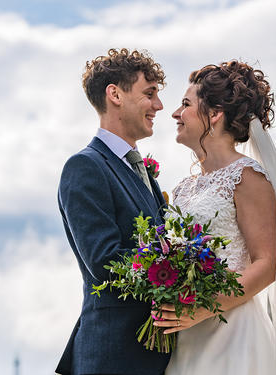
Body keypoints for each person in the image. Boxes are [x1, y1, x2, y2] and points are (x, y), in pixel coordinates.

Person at [154, 61, 276, 374]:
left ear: (214, 114)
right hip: (187, 336)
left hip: (233, 333)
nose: (176, 113)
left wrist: (202, 308)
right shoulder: (182, 188)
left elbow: (267, 264)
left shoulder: (248, 177)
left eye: (186, 104)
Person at [55, 48, 170, 375]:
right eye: (149, 94)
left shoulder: (143, 171)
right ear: (115, 94)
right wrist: (177, 273)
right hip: (113, 355)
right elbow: (105, 261)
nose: (159, 106)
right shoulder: (85, 167)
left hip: (155, 354)